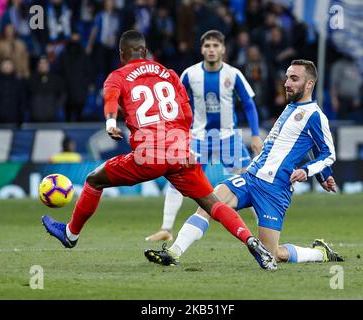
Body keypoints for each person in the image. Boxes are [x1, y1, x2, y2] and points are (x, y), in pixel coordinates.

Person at [42, 30, 277, 270]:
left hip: (149, 155)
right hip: (180, 151)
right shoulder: (169, 73)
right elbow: (186, 114)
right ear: (144, 51)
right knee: (213, 203)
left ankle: (70, 234)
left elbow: (111, 100)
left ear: (121, 54)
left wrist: (111, 124)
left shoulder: (118, 75)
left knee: (94, 180)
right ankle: (250, 240)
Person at [145, 59, 344, 267]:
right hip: (250, 177)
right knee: (208, 205)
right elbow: (305, 144)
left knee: (274, 254)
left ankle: (319, 253)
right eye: (287, 77)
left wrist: (309, 170)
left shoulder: (315, 115)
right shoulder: (291, 107)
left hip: (275, 189)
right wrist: (323, 174)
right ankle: (173, 253)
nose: (287, 83)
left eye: (294, 79)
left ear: (310, 84)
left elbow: (328, 153)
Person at [145, 30, 263, 242]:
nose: (211, 50)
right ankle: (166, 229)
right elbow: (177, 106)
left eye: (215, 46)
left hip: (229, 139)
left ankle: (264, 231)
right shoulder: (190, 74)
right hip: (198, 139)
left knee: (250, 182)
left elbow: (248, 104)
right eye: (207, 46)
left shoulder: (233, 74)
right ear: (201, 49)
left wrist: (255, 135)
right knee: (178, 179)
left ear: (223, 49)